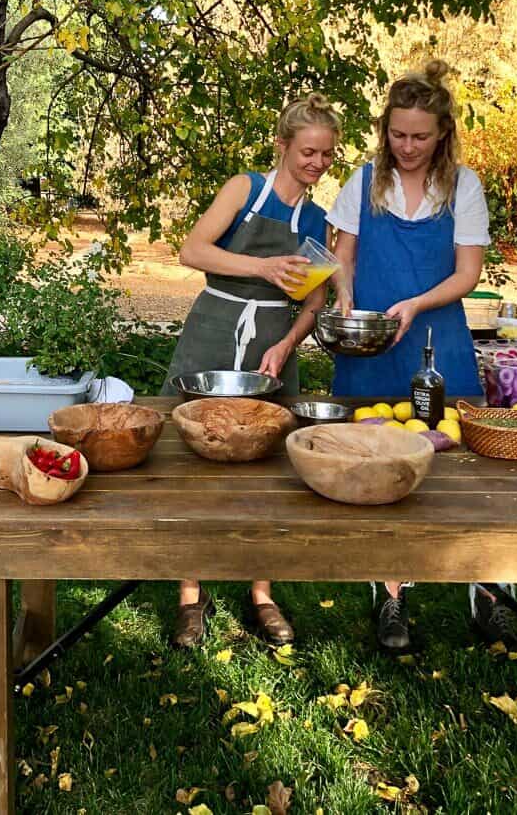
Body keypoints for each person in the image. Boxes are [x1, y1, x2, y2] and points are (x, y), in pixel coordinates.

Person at [327, 58, 517, 653]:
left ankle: (488, 591)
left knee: (463, 467)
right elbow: (344, 257)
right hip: (373, 348)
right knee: (374, 467)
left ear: (443, 135)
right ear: (385, 129)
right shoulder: (363, 183)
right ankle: (390, 593)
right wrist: (345, 299)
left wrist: (413, 303)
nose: (407, 147)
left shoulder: (464, 186)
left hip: (439, 341)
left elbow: (468, 273)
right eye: (397, 134)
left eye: (420, 136)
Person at [161, 94, 341, 648]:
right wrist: (261, 265)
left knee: (271, 472)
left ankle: (261, 592)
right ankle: (191, 594)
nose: (317, 163)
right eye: (308, 151)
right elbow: (192, 250)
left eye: (327, 155)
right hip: (214, 326)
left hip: (270, 340)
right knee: (189, 459)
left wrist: (289, 341)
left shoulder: (317, 219)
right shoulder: (245, 189)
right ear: (283, 145)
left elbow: (317, 298)